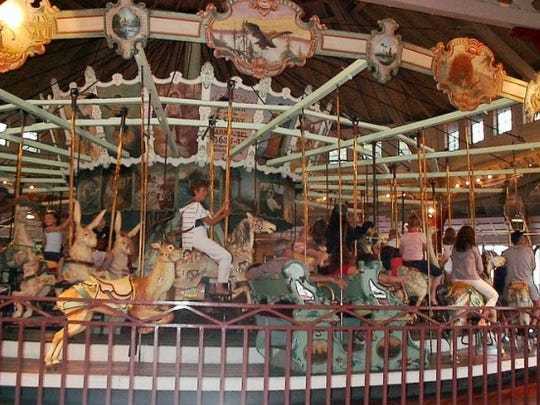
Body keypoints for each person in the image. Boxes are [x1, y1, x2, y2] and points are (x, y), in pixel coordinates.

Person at [179, 179, 231, 295]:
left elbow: (208, 220)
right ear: (195, 191)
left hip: (192, 238)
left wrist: (223, 208)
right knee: (226, 256)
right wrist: (225, 215)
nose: (205, 193)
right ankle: (221, 288)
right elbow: (211, 222)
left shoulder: (190, 205)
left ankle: (214, 285)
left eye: (206, 191)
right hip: (197, 237)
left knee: (220, 257)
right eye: (202, 191)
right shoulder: (196, 206)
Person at [451, 226, 499, 317]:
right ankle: (484, 317)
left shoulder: (454, 249)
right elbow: (480, 269)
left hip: (455, 280)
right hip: (471, 279)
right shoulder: (473, 248)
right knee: (494, 295)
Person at [400, 213, 442, 304]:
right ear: (418, 225)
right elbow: (427, 249)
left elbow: (401, 252)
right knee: (438, 273)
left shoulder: (403, 236)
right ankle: (433, 295)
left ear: (408, 225)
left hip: (405, 263)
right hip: (418, 263)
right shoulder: (421, 235)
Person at [502, 230, 539, 306]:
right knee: (537, 305)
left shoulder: (505, 253)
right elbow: (533, 267)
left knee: (503, 303)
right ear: (520, 239)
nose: (525, 239)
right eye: (523, 237)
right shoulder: (529, 251)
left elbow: (503, 267)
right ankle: (535, 318)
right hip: (527, 283)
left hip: (510, 284)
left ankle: (504, 317)